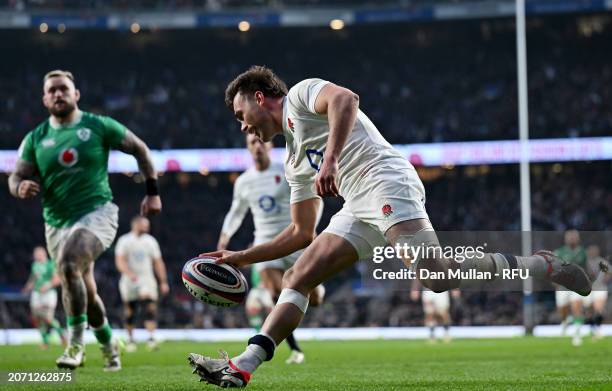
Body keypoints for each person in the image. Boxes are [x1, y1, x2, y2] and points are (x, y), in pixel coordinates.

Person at [188, 66, 591, 387]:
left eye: (242, 115)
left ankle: (541, 266)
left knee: (435, 278)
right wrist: (241, 257)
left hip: (385, 180)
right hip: (355, 205)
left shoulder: (299, 96)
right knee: (299, 272)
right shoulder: (293, 162)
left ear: (260, 98)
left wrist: (329, 162)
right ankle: (244, 365)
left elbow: (346, 99)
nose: (243, 126)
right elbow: (300, 233)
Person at [8, 70, 162, 371]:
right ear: (44, 98)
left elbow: (140, 149)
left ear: (76, 94)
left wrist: (152, 192)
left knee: (67, 265)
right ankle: (109, 346)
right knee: (86, 292)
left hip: (98, 214)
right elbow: (16, 176)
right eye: (51, 90)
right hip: (56, 224)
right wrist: (19, 187)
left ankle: (75, 345)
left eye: (63, 88)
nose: (58, 94)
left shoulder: (98, 125)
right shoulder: (35, 138)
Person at [217, 134, 323, 364]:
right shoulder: (244, 181)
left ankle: (313, 295)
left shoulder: (286, 170)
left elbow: (316, 199)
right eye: (251, 143)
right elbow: (236, 212)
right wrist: (224, 239)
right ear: (247, 148)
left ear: (269, 145)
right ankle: (295, 349)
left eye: (260, 142)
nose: (257, 146)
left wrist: (310, 228)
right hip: (264, 243)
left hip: (295, 240)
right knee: (280, 294)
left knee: (314, 298)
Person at [115, 216, 169, 352]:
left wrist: (163, 281)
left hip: (146, 278)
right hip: (129, 279)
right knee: (130, 310)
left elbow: (158, 262)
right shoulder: (125, 240)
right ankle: (130, 339)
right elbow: (120, 260)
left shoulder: (150, 241)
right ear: (135, 224)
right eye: (144, 225)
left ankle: (151, 338)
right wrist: (129, 273)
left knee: (150, 306)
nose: (147, 227)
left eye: (148, 225)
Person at [21, 246, 66, 349]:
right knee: (36, 318)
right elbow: (33, 279)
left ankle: (62, 334)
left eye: (38, 253)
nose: (36, 255)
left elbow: (58, 279)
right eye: (35, 253)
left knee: (47, 318)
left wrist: (47, 286)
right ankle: (45, 342)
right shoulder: (35, 265)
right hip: (36, 294)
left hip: (49, 294)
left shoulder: (51, 264)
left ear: (44, 254)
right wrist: (27, 288)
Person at [554, 230, 587, 346]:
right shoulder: (559, 252)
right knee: (562, 310)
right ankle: (564, 321)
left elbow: (586, 269)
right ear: (566, 239)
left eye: (574, 237)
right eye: (570, 237)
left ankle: (577, 336)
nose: (572, 239)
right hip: (563, 286)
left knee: (576, 307)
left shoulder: (583, 252)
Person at [583, 245, 609, 340]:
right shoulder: (584, 262)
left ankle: (598, 329)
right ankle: (593, 329)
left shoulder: (602, 262)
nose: (592, 252)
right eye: (590, 250)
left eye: (594, 251)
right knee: (588, 311)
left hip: (600, 288)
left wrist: (602, 279)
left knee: (598, 309)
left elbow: (608, 274)